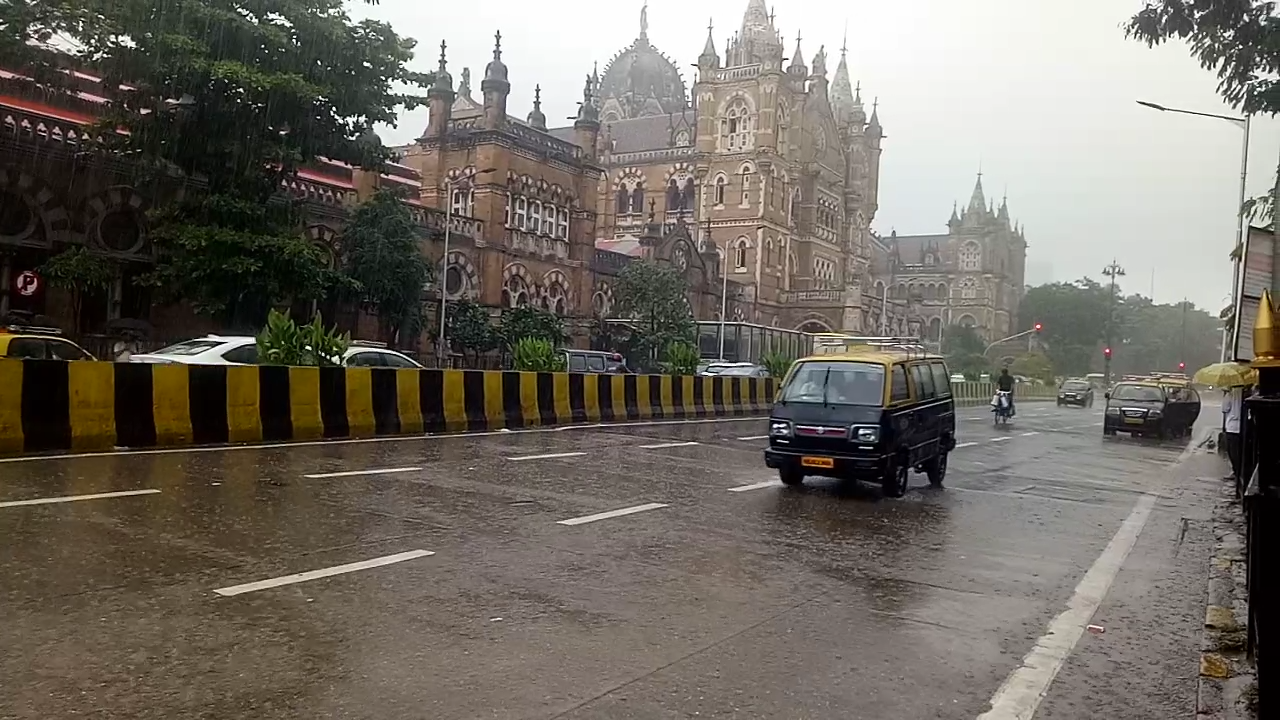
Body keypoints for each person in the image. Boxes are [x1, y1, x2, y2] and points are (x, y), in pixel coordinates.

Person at [1222, 387, 1242, 481]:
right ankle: (1238, 472)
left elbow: (1225, 408)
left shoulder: (1230, 393)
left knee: (1232, 451)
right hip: (1243, 426)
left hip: (1232, 426)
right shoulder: (1246, 392)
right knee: (1239, 451)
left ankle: (1235, 471)